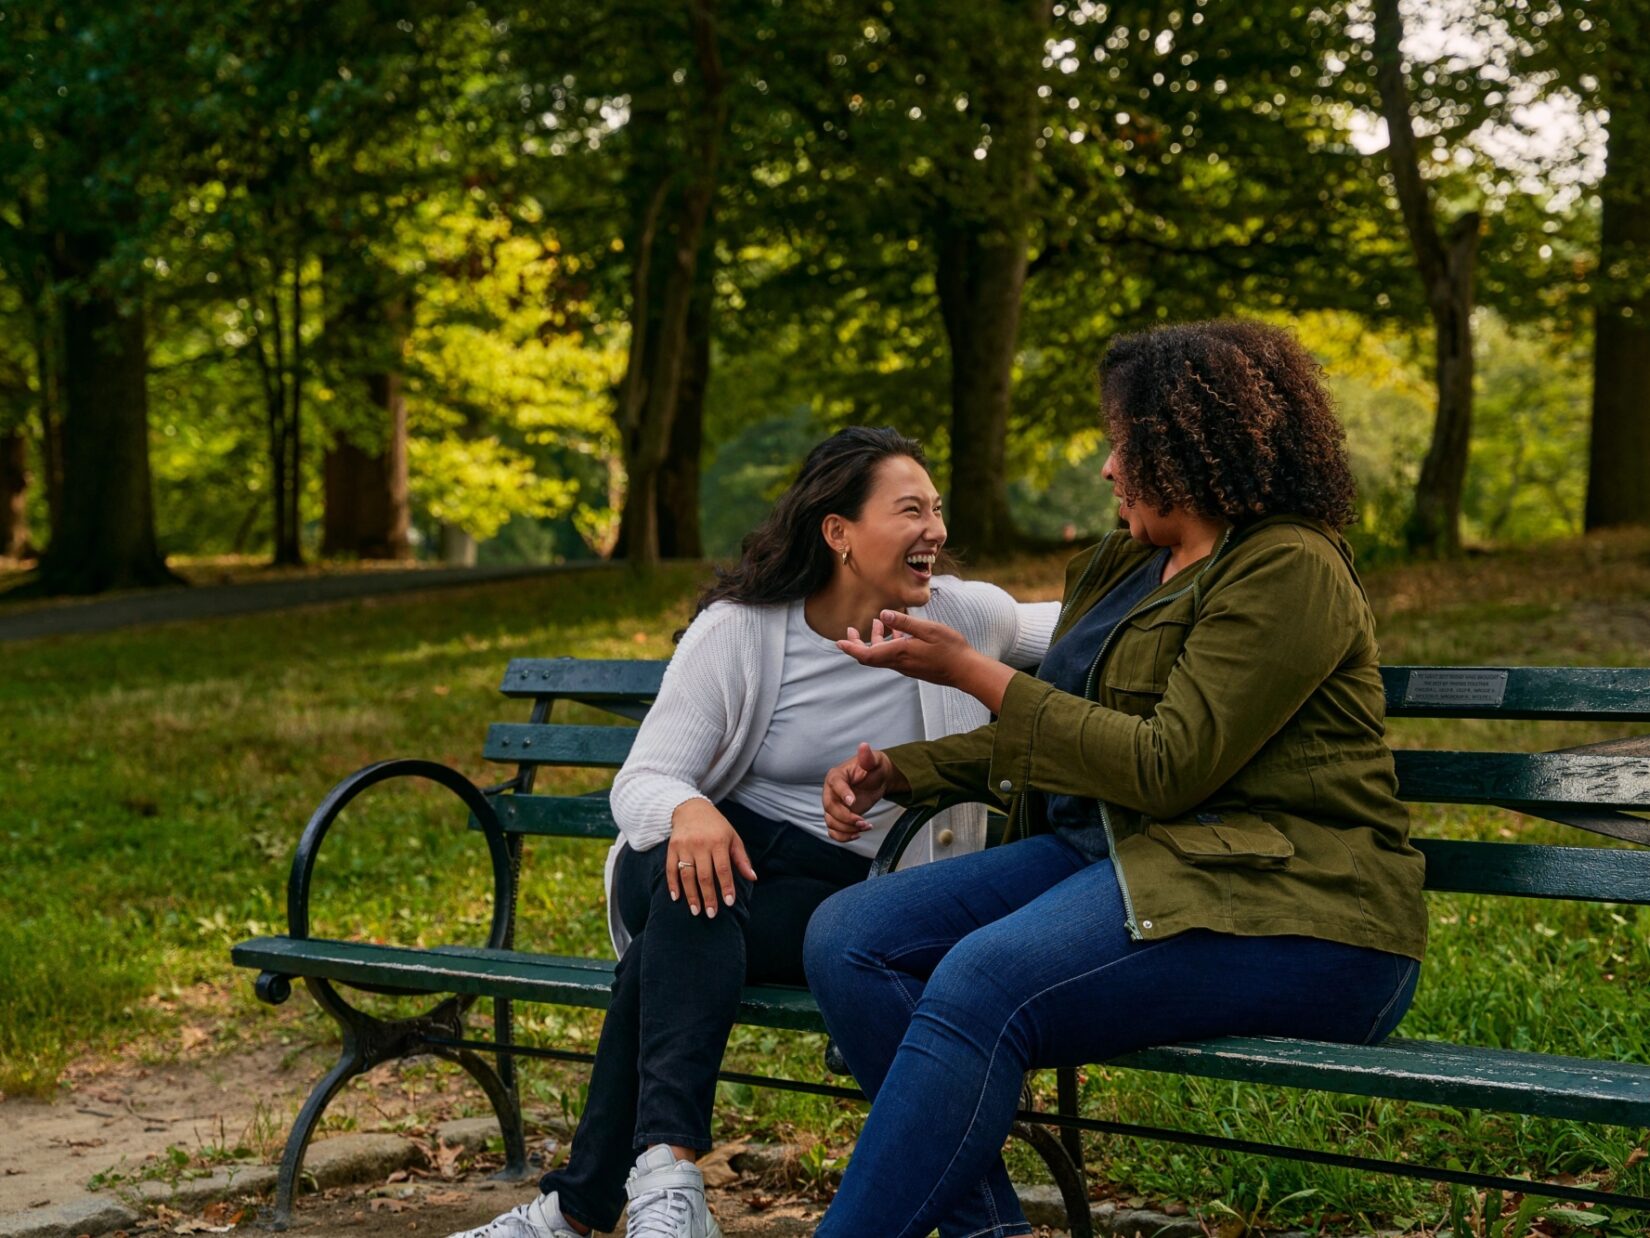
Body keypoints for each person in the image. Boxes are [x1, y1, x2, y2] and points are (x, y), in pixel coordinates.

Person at [807, 321, 1428, 1238]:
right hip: (1123, 856)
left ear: (1185, 446)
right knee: (848, 935)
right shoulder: (1126, 565)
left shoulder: (1289, 566)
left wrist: (975, 674)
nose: (1107, 469)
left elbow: (1165, 765)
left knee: (983, 981)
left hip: (1297, 904)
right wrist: (906, 771)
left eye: (1122, 443)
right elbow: (1071, 728)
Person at [450, 427, 1058, 1238]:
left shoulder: (959, 614)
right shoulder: (742, 629)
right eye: (910, 510)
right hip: (717, 852)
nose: (936, 532)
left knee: (682, 918)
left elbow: (1080, 628)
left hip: (840, 901)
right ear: (838, 531)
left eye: (938, 510)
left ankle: (593, 1202)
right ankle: (660, 1186)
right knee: (684, 876)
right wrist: (690, 810)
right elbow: (643, 782)